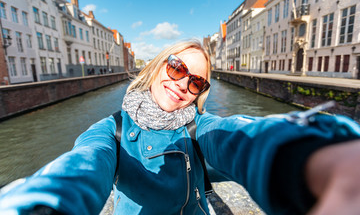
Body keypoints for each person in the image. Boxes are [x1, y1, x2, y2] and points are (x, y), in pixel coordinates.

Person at [0, 40, 360, 215]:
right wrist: (40, 203)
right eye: (176, 68)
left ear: (200, 93)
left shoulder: (198, 128)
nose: (182, 84)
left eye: (196, 82)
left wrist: (311, 153)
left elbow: (235, 136)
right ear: (157, 66)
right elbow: (84, 164)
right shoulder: (112, 131)